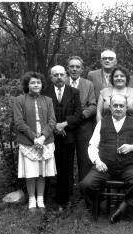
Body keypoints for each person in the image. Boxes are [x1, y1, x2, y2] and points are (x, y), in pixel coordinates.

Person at [80, 94, 133, 224]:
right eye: (115, 105)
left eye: (121, 106)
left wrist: (132, 147)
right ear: (110, 107)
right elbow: (92, 145)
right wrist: (97, 161)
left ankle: (123, 208)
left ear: (126, 107)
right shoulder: (102, 123)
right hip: (105, 166)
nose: (118, 108)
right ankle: (92, 209)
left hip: (128, 166)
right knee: (86, 184)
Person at [13, 71, 57, 212]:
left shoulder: (48, 100)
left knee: (42, 172)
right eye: (32, 82)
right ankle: (32, 200)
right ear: (27, 85)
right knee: (31, 173)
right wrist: (34, 138)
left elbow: (52, 121)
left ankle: (40, 199)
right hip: (28, 141)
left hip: (45, 141)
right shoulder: (19, 100)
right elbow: (19, 122)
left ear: (42, 84)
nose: (36, 84)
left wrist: (43, 137)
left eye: (38, 82)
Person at [43, 65, 82, 210]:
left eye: (61, 74)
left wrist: (64, 124)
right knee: (48, 167)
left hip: (67, 136)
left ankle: (63, 200)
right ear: (51, 77)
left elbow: (79, 114)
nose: (59, 77)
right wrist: (54, 127)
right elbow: (42, 115)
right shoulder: (44, 92)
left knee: (66, 168)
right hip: (48, 136)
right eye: (55, 75)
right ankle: (44, 198)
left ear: (66, 76)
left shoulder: (74, 92)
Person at [66, 56, 97, 182]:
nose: (74, 69)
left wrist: (80, 116)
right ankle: (67, 190)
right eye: (72, 67)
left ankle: (85, 188)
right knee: (66, 158)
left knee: (85, 159)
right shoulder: (62, 82)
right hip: (66, 126)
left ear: (82, 69)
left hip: (84, 126)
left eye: (77, 67)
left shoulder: (88, 84)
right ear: (67, 69)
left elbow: (93, 105)